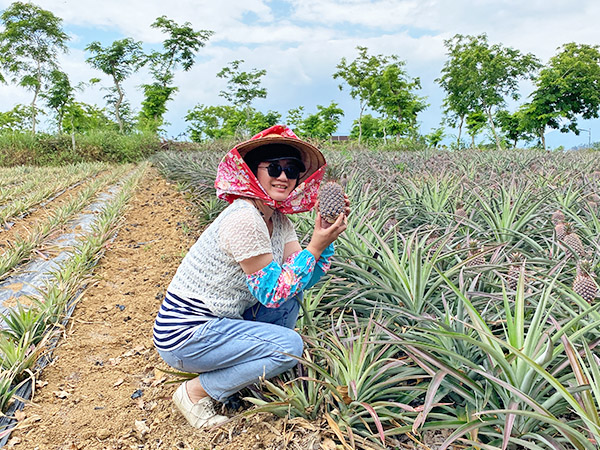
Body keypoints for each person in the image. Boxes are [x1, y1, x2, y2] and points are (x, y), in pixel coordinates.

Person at [153, 124, 349, 429]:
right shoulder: (245, 218)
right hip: (186, 335)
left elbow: (300, 281)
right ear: (253, 172)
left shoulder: (278, 220)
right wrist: (315, 246)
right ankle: (195, 392)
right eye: (274, 167)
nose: (283, 176)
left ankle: (247, 376)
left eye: (292, 169)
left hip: (219, 322)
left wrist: (324, 238)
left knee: (290, 298)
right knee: (289, 347)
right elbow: (271, 293)